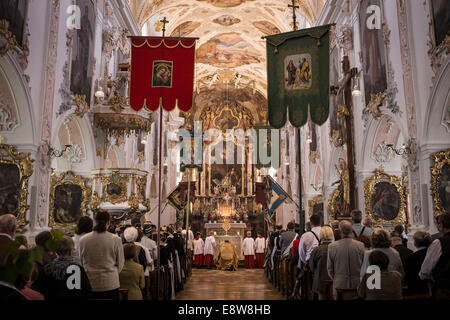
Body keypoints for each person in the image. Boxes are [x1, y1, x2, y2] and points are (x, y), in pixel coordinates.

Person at [79, 210, 124, 300]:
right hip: (110, 283)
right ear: (108, 222)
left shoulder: (83, 239)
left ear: (95, 221)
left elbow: (82, 262)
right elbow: (120, 263)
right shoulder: (116, 239)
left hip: (91, 283)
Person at [327, 220, 365, 298]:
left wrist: (338, 278)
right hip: (357, 284)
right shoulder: (360, 245)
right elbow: (364, 266)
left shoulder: (332, 246)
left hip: (339, 284)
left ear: (340, 231)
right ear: (351, 231)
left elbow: (330, 269)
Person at [419, 213, 450, 300]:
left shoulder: (439, 243)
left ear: (441, 225)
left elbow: (426, 269)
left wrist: (423, 276)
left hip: (445, 289)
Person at [309, 226, 334, 300]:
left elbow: (311, 266)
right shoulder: (336, 247)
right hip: (333, 280)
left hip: (320, 280)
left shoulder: (317, 250)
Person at [405, 230, 432, 297]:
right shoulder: (432, 254)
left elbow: (408, 276)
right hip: (431, 287)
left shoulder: (411, 257)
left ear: (415, 243)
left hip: (417, 290)